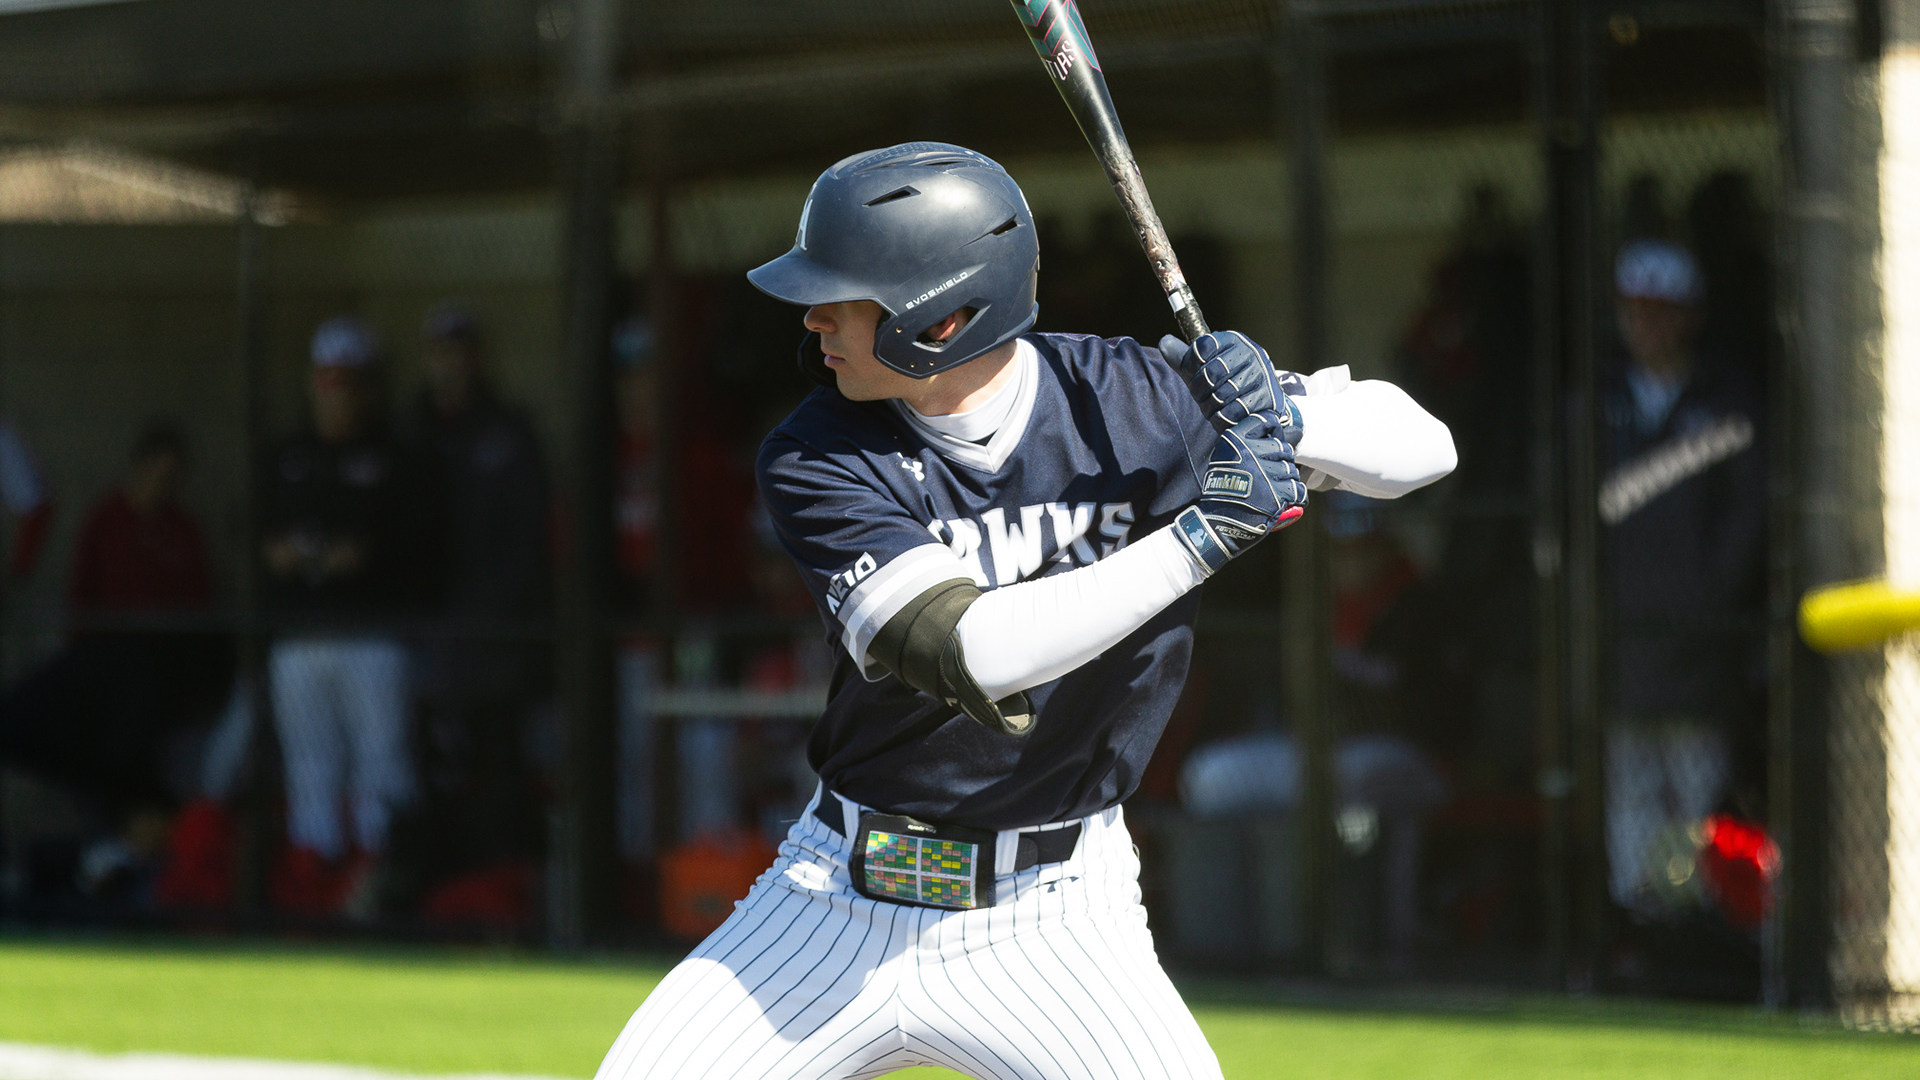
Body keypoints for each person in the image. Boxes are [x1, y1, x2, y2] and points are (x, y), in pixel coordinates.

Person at [593, 143, 1455, 1080]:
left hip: (1056, 913)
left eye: (843, 296)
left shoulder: (1135, 396)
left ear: (942, 316)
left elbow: (1426, 451)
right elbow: (974, 651)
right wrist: (1201, 538)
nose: (813, 318)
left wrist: (1286, 420)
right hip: (837, 894)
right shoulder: (817, 453)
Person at [1597, 239, 1766, 919]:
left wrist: (1710, 600)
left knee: (1701, 797)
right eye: (1635, 310)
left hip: (1703, 650)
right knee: (1630, 800)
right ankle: (1639, 927)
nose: (1647, 325)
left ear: (1692, 316)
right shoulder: (1598, 403)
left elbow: (1747, 521)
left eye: (1663, 311)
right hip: (1621, 644)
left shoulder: (1728, 403)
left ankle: (1704, 929)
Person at [0, 424, 230, 891]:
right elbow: (81, 597)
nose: (162, 486)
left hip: (157, 671)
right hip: (98, 665)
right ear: (139, 468)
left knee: (124, 756)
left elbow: (200, 609)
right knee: (20, 721)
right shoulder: (106, 518)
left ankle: (122, 850)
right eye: (156, 473)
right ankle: (96, 838)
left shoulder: (183, 531)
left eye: (173, 477)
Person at [260, 316, 434, 916]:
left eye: (349, 383)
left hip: (372, 636)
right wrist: (282, 554)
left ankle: (381, 889)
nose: (337, 396)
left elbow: (416, 546)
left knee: (382, 763)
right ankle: (313, 892)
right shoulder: (287, 456)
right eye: (327, 382)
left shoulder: (396, 458)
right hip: (300, 637)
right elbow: (257, 534)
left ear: (369, 386)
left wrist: (360, 556)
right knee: (310, 768)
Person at [392, 304, 549, 924]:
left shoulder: (507, 432)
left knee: (497, 768)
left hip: (495, 640)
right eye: (440, 351)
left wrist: (502, 613)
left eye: (459, 350)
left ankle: (496, 894)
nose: (449, 364)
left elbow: (530, 538)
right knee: (424, 768)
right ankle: (425, 891)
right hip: (424, 636)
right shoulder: (410, 432)